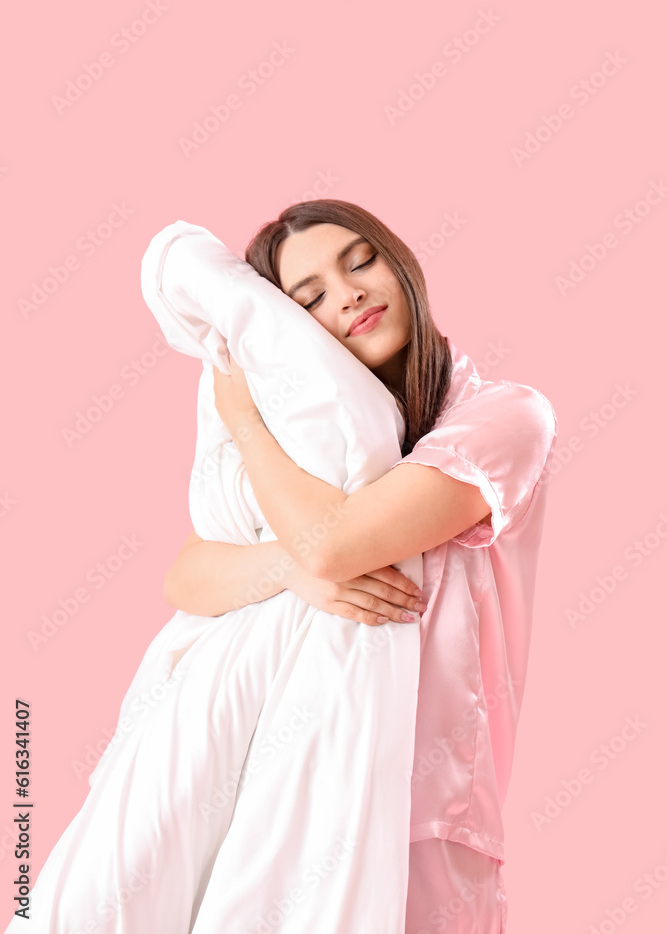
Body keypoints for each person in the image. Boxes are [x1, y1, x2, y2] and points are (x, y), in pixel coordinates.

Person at [166, 198, 559, 933]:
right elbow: (188, 575)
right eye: (308, 297)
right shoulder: (316, 456)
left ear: (400, 263)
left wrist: (244, 419)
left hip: (424, 816)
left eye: (360, 261)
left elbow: (334, 545)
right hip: (292, 804)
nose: (346, 294)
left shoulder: (503, 418)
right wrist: (288, 569)